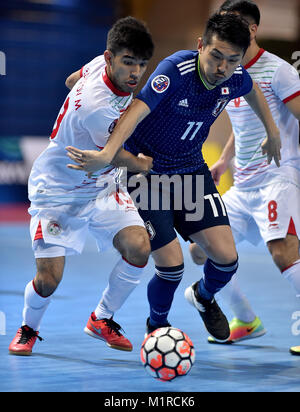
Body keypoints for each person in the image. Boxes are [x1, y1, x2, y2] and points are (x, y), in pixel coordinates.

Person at [66, 12, 282, 343]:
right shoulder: (175, 71)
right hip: (148, 172)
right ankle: (158, 325)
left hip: (191, 171)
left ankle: (204, 296)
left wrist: (272, 132)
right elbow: (136, 110)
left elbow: (253, 91)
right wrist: (109, 154)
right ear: (200, 46)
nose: (222, 67)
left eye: (232, 60)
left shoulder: (235, 76)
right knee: (172, 265)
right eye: (216, 56)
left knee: (226, 260)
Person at [8, 16, 155, 356]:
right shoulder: (96, 108)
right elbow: (113, 157)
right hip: (59, 189)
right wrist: (143, 165)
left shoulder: (95, 66)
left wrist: (76, 93)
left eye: (141, 64)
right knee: (48, 279)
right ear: (109, 58)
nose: (135, 73)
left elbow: (70, 79)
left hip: (102, 189)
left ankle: (101, 318)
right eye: (127, 63)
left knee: (139, 248)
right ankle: (29, 327)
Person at [188, 0, 300, 355]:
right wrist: (223, 160)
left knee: (283, 252)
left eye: (233, 24)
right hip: (243, 182)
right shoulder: (231, 71)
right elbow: (245, 122)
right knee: (201, 249)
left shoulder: (280, 71)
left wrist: (278, 137)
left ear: (251, 29)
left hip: (278, 176)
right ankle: (246, 320)